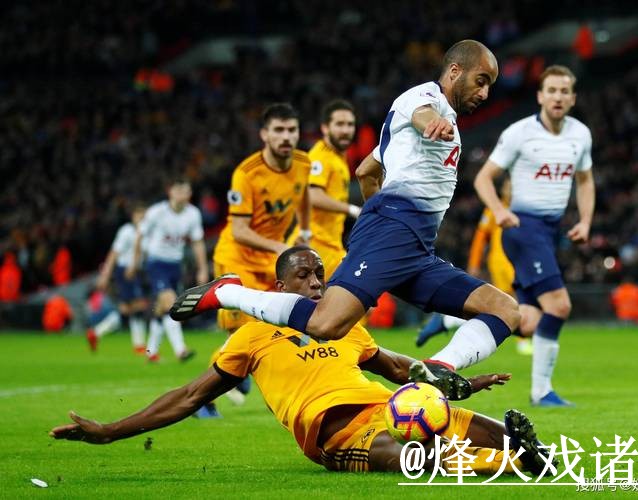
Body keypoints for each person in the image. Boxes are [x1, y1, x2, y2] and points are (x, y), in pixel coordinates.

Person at [170, 40, 519, 401]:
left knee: (505, 309)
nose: (485, 93)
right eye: (480, 81)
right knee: (326, 324)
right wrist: (431, 127)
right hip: (394, 231)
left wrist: (375, 210)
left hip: (415, 247)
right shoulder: (422, 98)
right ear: (455, 71)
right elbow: (422, 114)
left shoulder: (435, 128)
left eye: (489, 85)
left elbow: (366, 170)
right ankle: (226, 292)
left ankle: (439, 367)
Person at [50, 247, 554, 477]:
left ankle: (523, 454)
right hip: (334, 433)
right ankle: (512, 463)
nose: (317, 283)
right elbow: (189, 396)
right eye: (305, 276)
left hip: (391, 407)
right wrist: (110, 431)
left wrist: (456, 380)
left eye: (320, 275)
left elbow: (404, 372)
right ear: (279, 288)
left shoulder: (345, 324)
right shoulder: (251, 335)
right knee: (411, 457)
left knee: (515, 443)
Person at [473, 65, 595, 407]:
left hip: (550, 230)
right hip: (523, 228)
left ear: (572, 98)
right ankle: (542, 392)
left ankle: (452, 320)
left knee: (527, 320)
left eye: (564, 91)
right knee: (560, 305)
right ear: (540, 96)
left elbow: (585, 180)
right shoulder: (519, 133)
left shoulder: (580, 135)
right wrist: (499, 210)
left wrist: (586, 221)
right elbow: (483, 178)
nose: (558, 96)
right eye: (551, 90)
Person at [203, 103, 312, 413]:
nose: (286, 136)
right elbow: (239, 230)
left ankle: (257, 376)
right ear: (264, 134)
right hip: (236, 258)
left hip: (270, 259)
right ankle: (205, 399)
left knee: (285, 322)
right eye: (278, 130)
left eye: (291, 130)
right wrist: (278, 247)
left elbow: (304, 195)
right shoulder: (246, 173)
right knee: (243, 333)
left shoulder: (303, 163)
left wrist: (304, 230)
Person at [417, 179, 532, 355]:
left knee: (505, 305)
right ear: (503, 190)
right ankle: (523, 341)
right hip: (502, 262)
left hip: (519, 260)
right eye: (508, 187)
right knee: (514, 302)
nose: (512, 190)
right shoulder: (495, 209)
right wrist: (474, 263)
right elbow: (480, 237)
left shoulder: (522, 209)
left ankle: (448, 321)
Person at [128, 177, 208, 362]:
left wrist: (202, 268)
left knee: (161, 309)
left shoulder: (193, 214)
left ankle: (151, 352)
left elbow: (197, 242)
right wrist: (135, 262)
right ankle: (181, 350)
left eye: (186, 191)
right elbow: (140, 235)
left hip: (176, 265)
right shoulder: (157, 212)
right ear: (170, 191)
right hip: (156, 263)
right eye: (179, 190)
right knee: (170, 302)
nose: (183, 195)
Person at [308, 99, 361, 280]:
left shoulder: (337, 157)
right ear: (325, 128)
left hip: (331, 245)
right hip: (317, 246)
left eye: (350, 124)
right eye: (339, 124)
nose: (346, 130)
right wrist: (353, 210)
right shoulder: (320, 157)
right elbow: (313, 195)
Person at [87, 203, 148, 353]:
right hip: (125, 271)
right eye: (139, 216)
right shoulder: (126, 231)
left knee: (127, 310)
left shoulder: (146, 233)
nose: (141, 219)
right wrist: (105, 275)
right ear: (133, 217)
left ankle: (96, 332)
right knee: (138, 306)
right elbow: (114, 253)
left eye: (144, 217)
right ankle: (139, 345)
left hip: (136, 271)